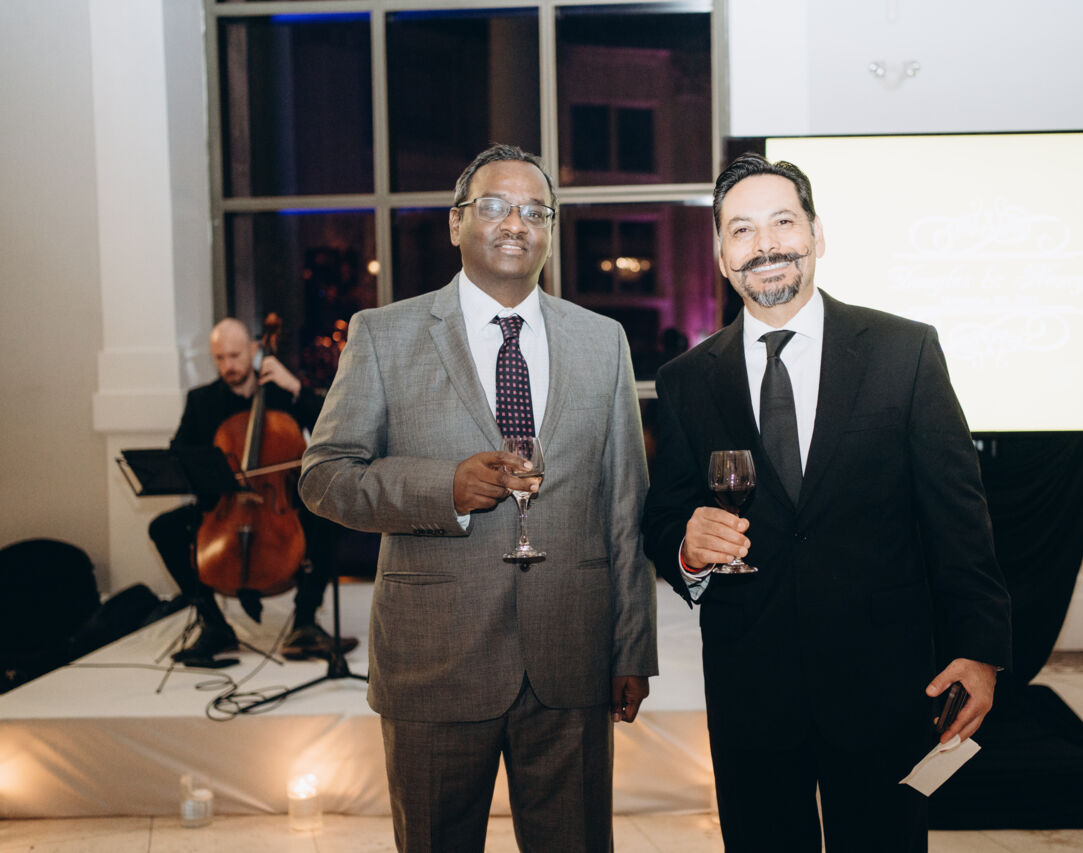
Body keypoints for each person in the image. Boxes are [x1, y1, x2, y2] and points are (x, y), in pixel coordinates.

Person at [640, 154, 1012, 852]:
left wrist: (979, 650)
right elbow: (663, 518)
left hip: (887, 686)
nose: (766, 244)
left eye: (783, 222)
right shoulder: (688, 379)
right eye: (742, 230)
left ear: (816, 234)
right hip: (750, 690)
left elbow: (958, 514)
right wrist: (686, 546)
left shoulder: (904, 351)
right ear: (721, 256)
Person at [298, 143, 657, 853]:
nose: (516, 222)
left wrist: (631, 647)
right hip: (435, 660)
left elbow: (626, 508)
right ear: (455, 222)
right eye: (494, 205)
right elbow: (325, 476)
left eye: (535, 210)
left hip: (573, 658)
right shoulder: (384, 335)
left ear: (550, 229)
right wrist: (445, 489)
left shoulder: (603, 341)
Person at [148, 318, 353, 666]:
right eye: (220, 358)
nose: (228, 365)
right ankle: (214, 625)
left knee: (328, 516)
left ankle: (304, 622)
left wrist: (296, 387)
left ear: (254, 350)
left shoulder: (281, 392)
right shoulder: (201, 401)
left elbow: (334, 425)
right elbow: (180, 456)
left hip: (279, 504)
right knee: (163, 529)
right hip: (223, 508)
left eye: (235, 355)